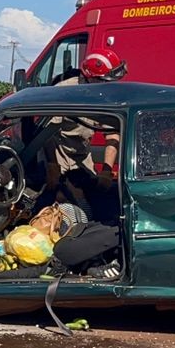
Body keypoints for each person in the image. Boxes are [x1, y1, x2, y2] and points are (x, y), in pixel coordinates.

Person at [45, 49, 124, 221]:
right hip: (60, 153)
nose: (109, 85)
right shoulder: (64, 93)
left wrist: (107, 171)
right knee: (68, 200)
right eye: (104, 81)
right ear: (90, 77)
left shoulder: (103, 95)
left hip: (83, 153)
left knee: (97, 194)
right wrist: (53, 167)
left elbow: (112, 135)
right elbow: (48, 133)